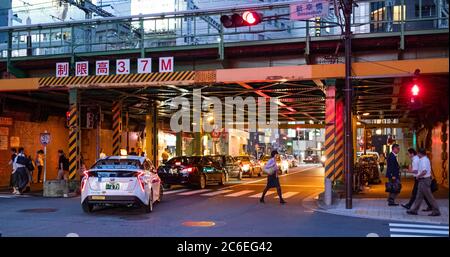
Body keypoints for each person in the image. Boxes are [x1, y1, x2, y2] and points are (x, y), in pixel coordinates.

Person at [407, 149, 441, 216]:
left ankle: (436, 211)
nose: (417, 155)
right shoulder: (422, 159)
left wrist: (418, 176)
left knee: (429, 197)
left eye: (418, 153)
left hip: (424, 180)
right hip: (422, 180)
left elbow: (424, 171)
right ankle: (414, 210)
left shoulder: (424, 160)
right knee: (419, 196)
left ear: (420, 153)